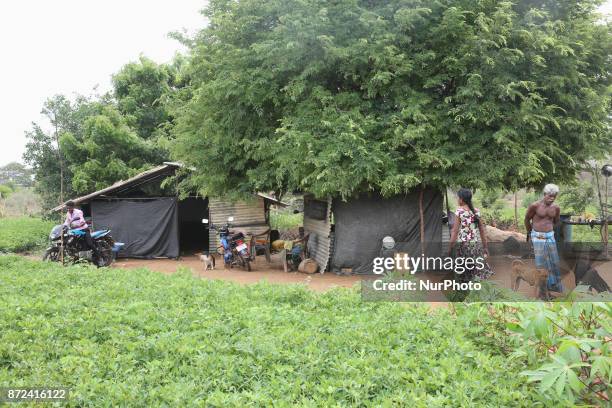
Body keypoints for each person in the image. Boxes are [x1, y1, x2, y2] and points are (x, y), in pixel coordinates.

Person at [448, 188, 494, 282]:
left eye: (458, 198)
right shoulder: (476, 211)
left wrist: (450, 247)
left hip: (463, 246)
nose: (457, 200)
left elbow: (455, 231)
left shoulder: (459, 212)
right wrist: (485, 247)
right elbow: (482, 230)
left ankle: (465, 291)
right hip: (475, 245)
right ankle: (476, 291)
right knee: (476, 270)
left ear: (461, 199)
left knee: (463, 271)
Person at [524, 184, 563, 293]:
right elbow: (527, 219)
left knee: (554, 262)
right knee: (541, 265)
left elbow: (556, 221)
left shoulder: (556, 208)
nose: (552, 198)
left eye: (554, 196)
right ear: (544, 194)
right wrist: (530, 233)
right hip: (538, 237)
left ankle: (554, 287)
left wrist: (549, 231)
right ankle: (542, 291)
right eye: (550, 196)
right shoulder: (535, 206)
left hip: (550, 236)